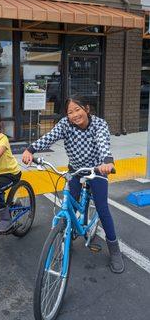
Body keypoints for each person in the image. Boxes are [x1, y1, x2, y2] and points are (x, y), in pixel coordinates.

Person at [22, 95, 124, 274]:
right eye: (70, 112)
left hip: (98, 170)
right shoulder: (65, 125)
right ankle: (64, 239)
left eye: (78, 109)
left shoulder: (99, 124)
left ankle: (115, 250)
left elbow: (103, 143)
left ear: (87, 109)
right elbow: (49, 137)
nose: (75, 115)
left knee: (102, 207)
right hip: (75, 169)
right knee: (68, 202)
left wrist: (107, 161)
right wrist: (30, 149)